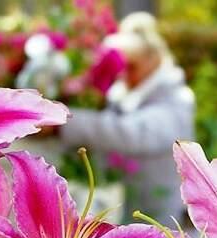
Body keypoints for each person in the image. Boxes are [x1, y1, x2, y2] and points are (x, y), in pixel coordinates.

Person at [60, 11, 194, 224]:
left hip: (157, 213)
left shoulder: (176, 97)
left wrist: (65, 121)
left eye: (132, 67)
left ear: (154, 59)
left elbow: (132, 133)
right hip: (123, 207)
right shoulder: (125, 93)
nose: (124, 75)